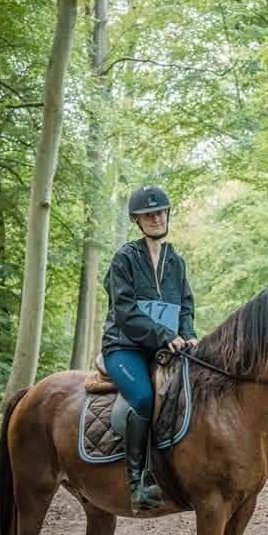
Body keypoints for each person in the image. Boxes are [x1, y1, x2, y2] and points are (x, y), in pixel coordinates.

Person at [100, 185, 198, 511]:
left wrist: (188, 333)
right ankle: (137, 484)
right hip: (124, 347)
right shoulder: (124, 258)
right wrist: (162, 335)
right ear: (137, 220)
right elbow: (126, 312)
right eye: (148, 214)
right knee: (143, 397)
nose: (156, 218)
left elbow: (185, 305)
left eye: (161, 212)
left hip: (166, 349)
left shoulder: (176, 262)